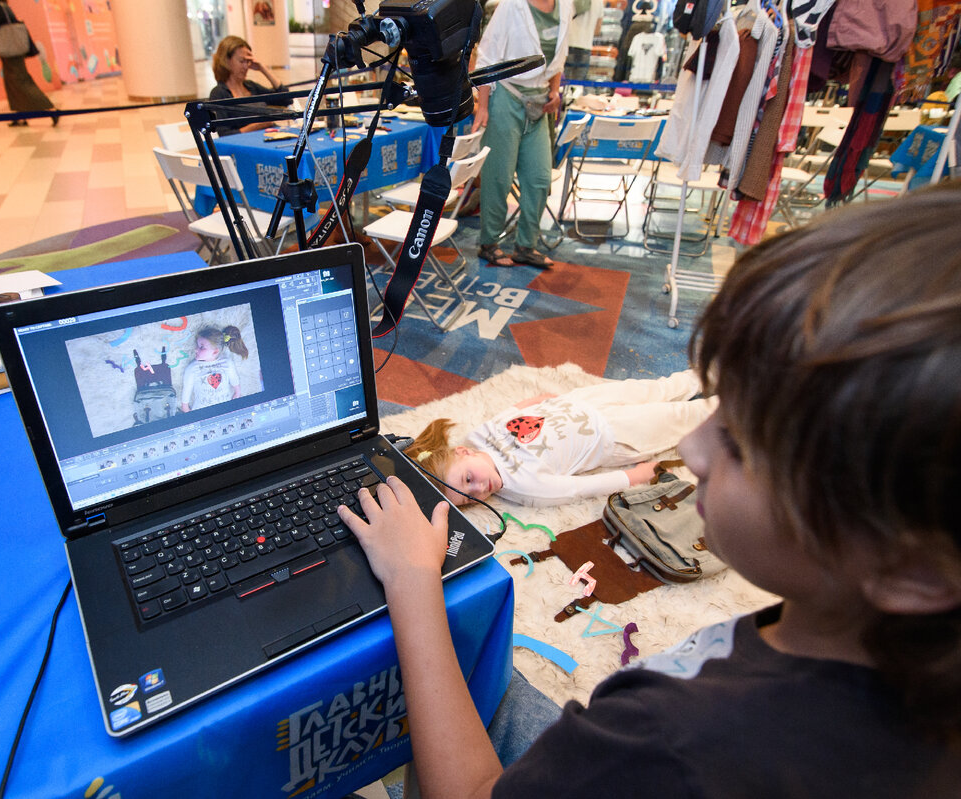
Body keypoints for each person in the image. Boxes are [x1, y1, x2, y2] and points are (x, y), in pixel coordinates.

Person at [339, 182, 961, 798]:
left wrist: (414, 582)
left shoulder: (666, 744)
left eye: (742, 442)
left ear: (916, 572)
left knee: (437, 679)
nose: (693, 452)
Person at [405, 370, 712, 507]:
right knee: (682, 417)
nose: (480, 488)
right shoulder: (525, 487)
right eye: (471, 496)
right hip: (614, 436)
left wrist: (535, 402)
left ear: (463, 452)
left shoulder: (478, 436)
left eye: (468, 479)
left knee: (656, 389)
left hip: (585, 400)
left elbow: (507, 414)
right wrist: (636, 475)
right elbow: (582, 488)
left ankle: (705, 373)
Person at [472, 0, 572, 269]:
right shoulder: (512, 5)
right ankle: (489, 243)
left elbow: (559, 57)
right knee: (499, 176)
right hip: (506, 95)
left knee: (540, 177)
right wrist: (482, 106)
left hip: (540, 101)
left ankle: (526, 246)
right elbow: (487, 56)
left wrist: (554, 91)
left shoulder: (566, 6)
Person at [0, 0, 58, 127]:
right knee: (13, 83)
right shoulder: (4, 7)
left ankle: (51, 110)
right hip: (13, 51)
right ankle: (20, 116)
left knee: (21, 82)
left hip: (11, 53)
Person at [208, 36, 292, 134]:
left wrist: (263, 69)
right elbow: (224, 134)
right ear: (226, 61)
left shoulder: (251, 86)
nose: (246, 66)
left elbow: (286, 99)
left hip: (272, 136)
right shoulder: (219, 93)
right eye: (241, 61)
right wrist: (258, 125)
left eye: (248, 61)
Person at [180, 325, 247, 412]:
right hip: (203, 410)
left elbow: (234, 378)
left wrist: (237, 392)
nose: (196, 349)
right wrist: (185, 407)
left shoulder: (226, 362)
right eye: (197, 346)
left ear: (215, 351)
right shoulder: (192, 368)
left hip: (225, 407)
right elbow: (187, 389)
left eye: (201, 347)